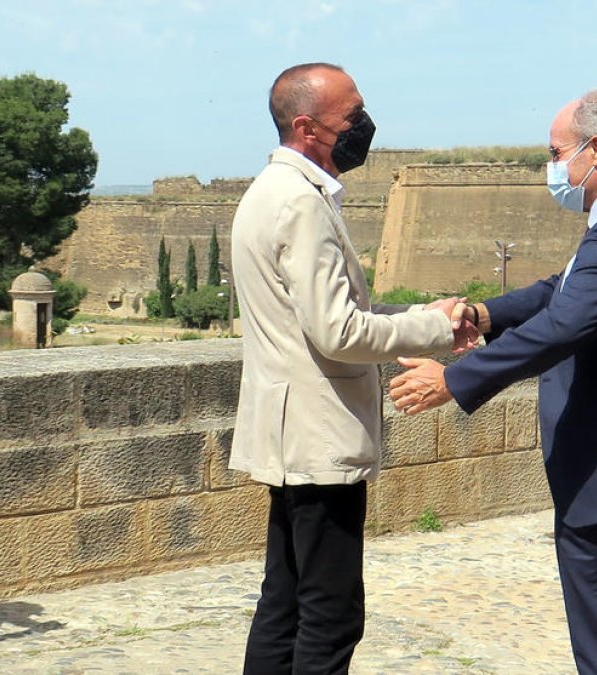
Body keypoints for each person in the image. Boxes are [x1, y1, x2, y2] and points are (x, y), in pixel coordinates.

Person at [388, 90, 597, 675]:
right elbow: (558, 292)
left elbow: (563, 326)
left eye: (555, 152)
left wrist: (456, 380)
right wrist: (483, 316)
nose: (552, 167)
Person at [228, 63, 476, 675]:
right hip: (318, 436)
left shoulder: (268, 191)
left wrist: (426, 313)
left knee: (283, 601)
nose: (364, 125)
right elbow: (339, 332)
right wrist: (439, 329)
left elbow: (338, 312)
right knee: (331, 613)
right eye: (352, 115)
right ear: (308, 126)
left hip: (288, 432)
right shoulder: (302, 205)